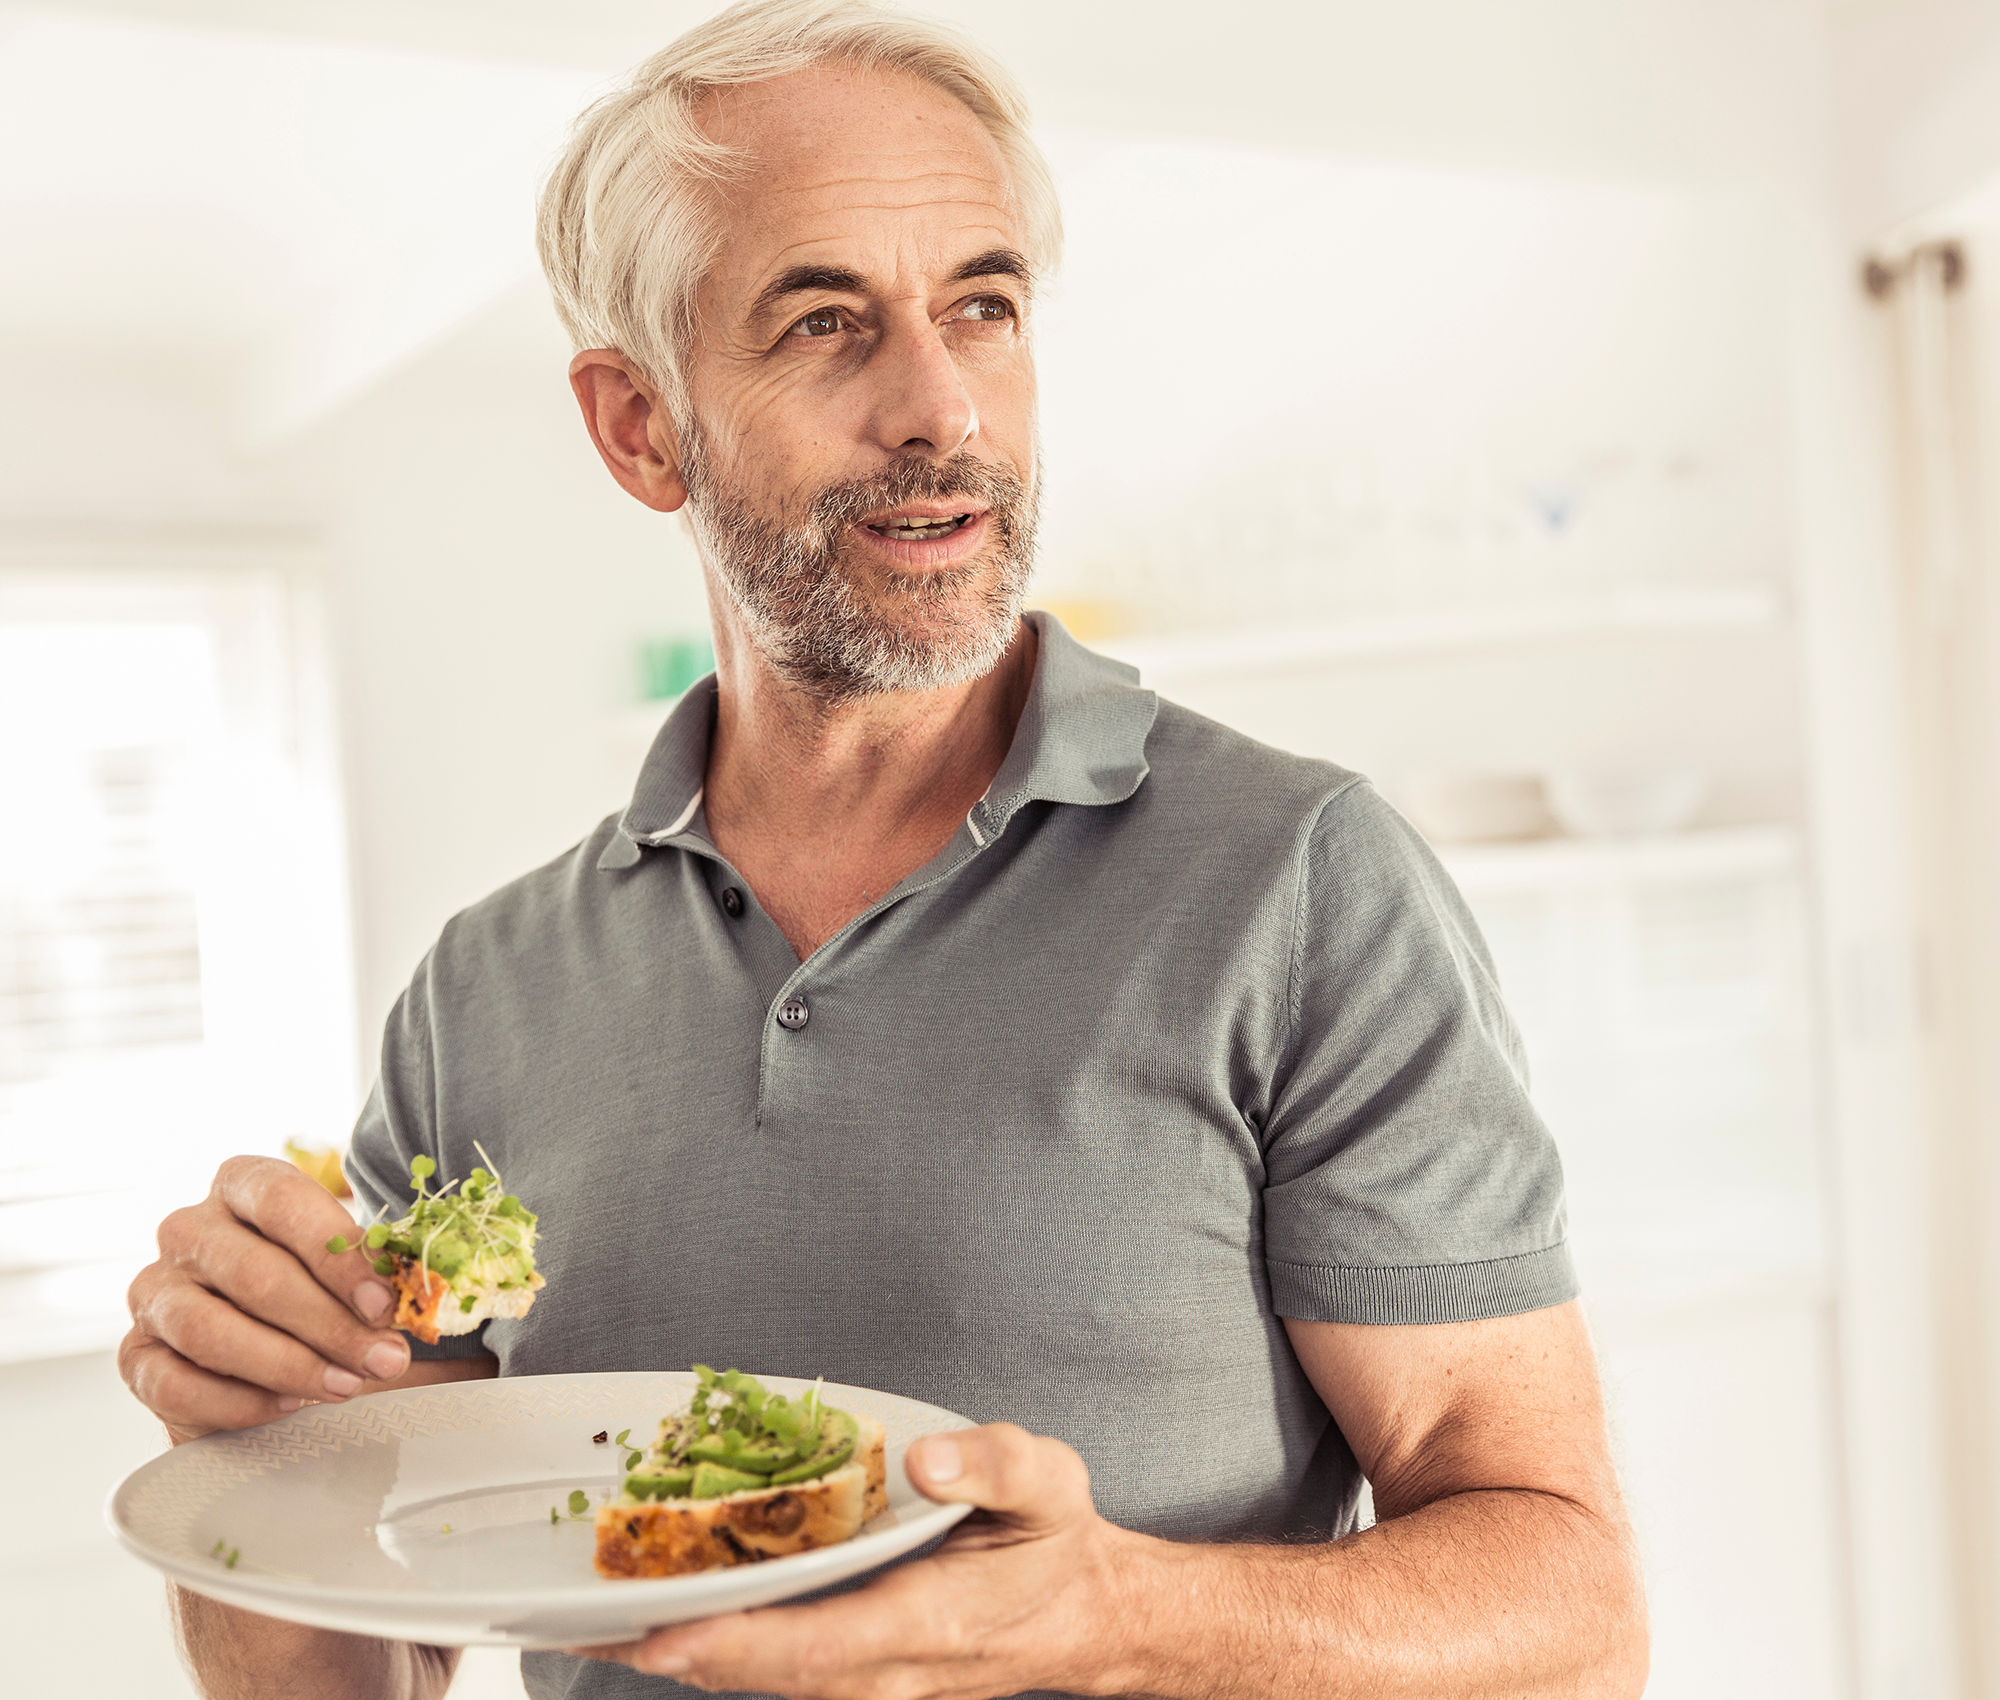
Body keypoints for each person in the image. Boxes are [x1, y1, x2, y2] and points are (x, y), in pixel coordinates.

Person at [119, 2, 1648, 1696]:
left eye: (982, 308)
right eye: (827, 322)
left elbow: (1573, 1620)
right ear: (640, 428)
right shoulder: (483, 991)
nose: (942, 408)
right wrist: (256, 1432)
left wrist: (1115, 1614)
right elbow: (347, 1663)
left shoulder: (1302, 884)